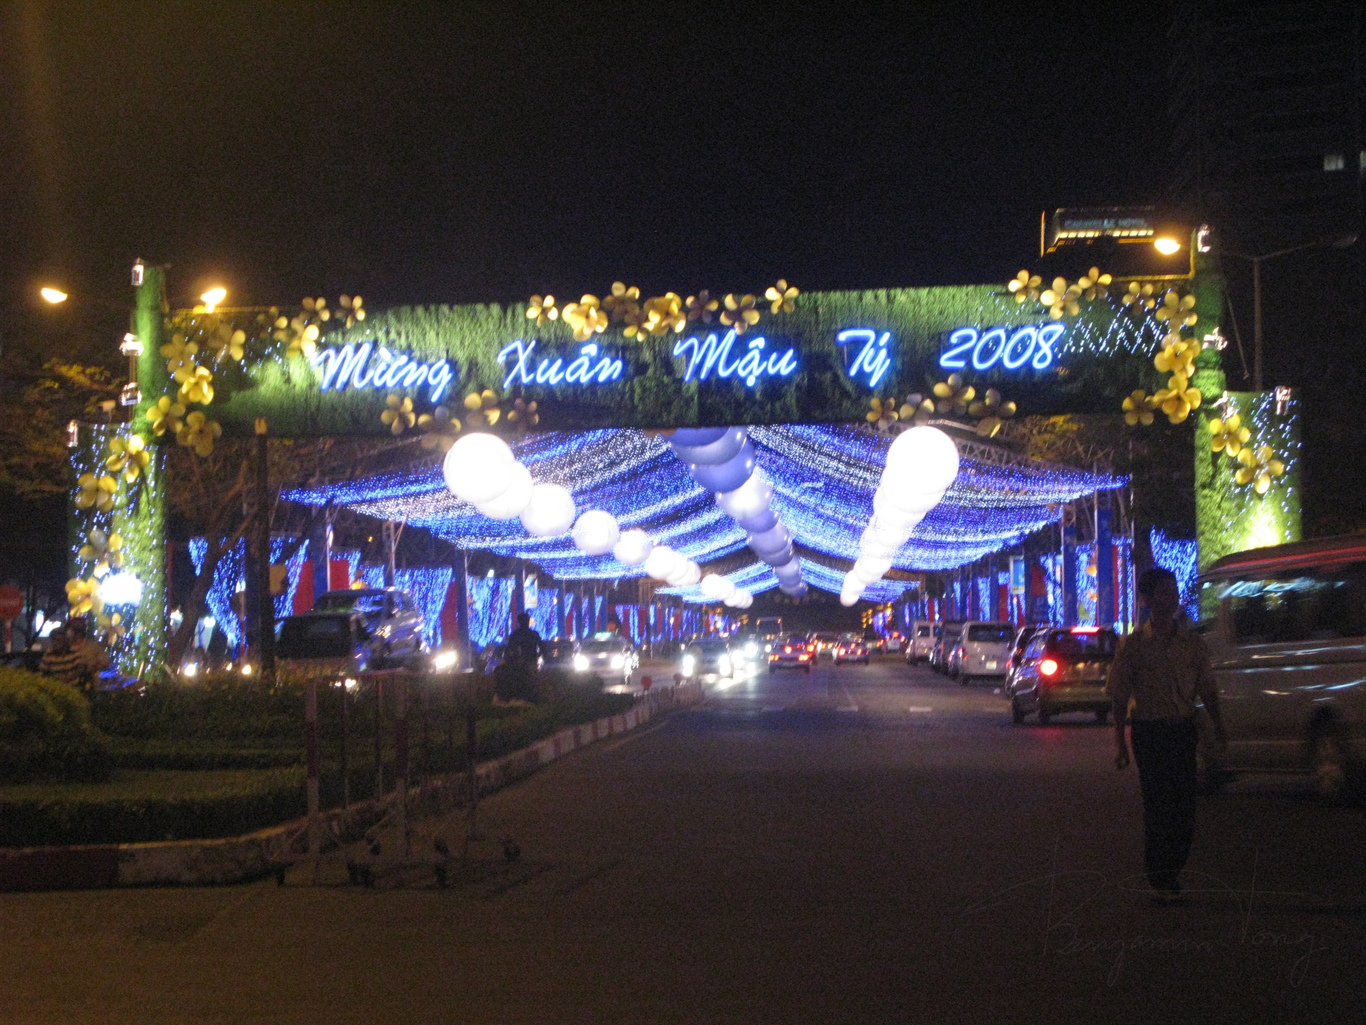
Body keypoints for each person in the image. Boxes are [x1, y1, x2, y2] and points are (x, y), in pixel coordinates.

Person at [1107, 567, 1227, 903]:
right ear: (1146, 599)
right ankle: (1160, 876)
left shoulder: (1192, 643)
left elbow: (1207, 688)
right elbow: (1119, 696)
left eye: (1173, 592)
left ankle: (1172, 867)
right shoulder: (1132, 646)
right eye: (1163, 593)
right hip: (1150, 733)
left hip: (1183, 730)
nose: (1171, 598)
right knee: (1158, 804)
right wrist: (1120, 743)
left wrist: (1218, 725)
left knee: (1184, 806)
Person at [497, 612, 543, 703]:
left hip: (520, 662)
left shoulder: (516, 634)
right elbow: (542, 647)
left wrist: (510, 659)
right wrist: (538, 656)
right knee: (531, 681)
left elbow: (510, 649)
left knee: (521, 681)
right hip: (530, 661)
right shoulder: (533, 634)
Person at [68, 617, 111, 685]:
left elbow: (105, 664)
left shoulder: (94, 648)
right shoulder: (64, 648)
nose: (67, 633)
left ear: (76, 632)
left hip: (88, 685)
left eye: (69, 630)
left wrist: (91, 668)